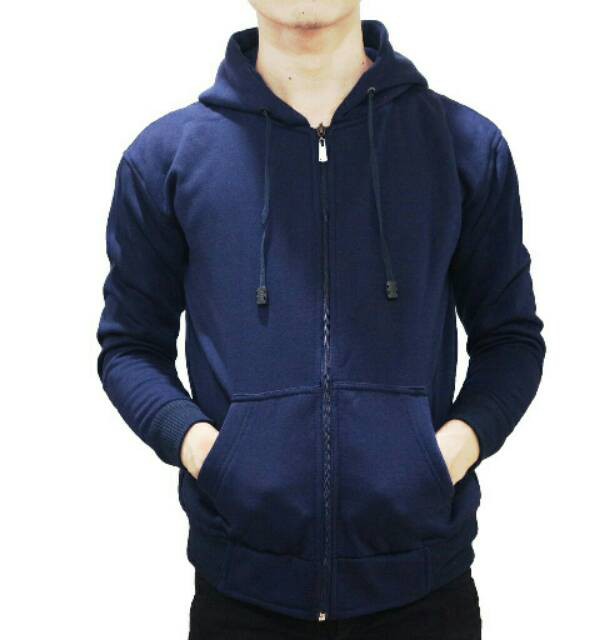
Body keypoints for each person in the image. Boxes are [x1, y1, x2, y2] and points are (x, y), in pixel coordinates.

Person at [97, 1, 545, 637]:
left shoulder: (461, 145)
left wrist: (442, 456)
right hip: (242, 593)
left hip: (423, 589)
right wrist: (208, 455)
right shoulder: (167, 158)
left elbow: (511, 339)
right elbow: (129, 346)